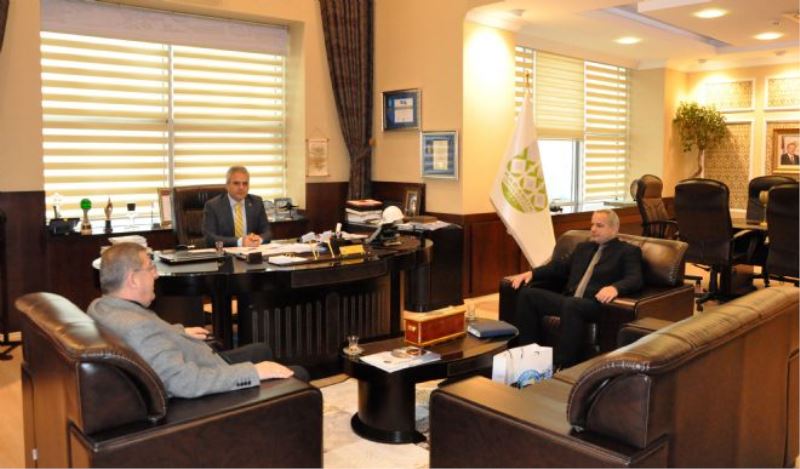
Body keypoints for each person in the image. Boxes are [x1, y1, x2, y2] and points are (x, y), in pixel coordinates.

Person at [87, 242, 308, 399]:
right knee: (298, 373)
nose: (156, 275)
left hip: (193, 358)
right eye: (150, 268)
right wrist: (255, 373)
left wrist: (178, 332)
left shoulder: (100, 307)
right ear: (133, 279)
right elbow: (185, 382)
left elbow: (151, 336)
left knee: (262, 349)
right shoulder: (139, 329)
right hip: (204, 384)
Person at [508, 209, 643, 368]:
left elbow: (635, 278)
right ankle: (528, 356)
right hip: (570, 301)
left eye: (599, 225)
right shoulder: (583, 248)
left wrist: (615, 288)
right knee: (528, 295)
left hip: (596, 304)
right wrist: (532, 273)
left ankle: (562, 366)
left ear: (614, 229)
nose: (593, 229)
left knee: (572, 304)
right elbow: (559, 267)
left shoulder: (628, 251)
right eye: (592, 224)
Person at [203, 166, 271, 248]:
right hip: (226, 253)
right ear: (227, 185)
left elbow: (267, 233)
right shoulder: (213, 206)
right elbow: (210, 238)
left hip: (252, 252)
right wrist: (240, 242)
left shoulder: (256, 202)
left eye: (245, 184)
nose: (241, 187)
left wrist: (258, 239)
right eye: (236, 183)